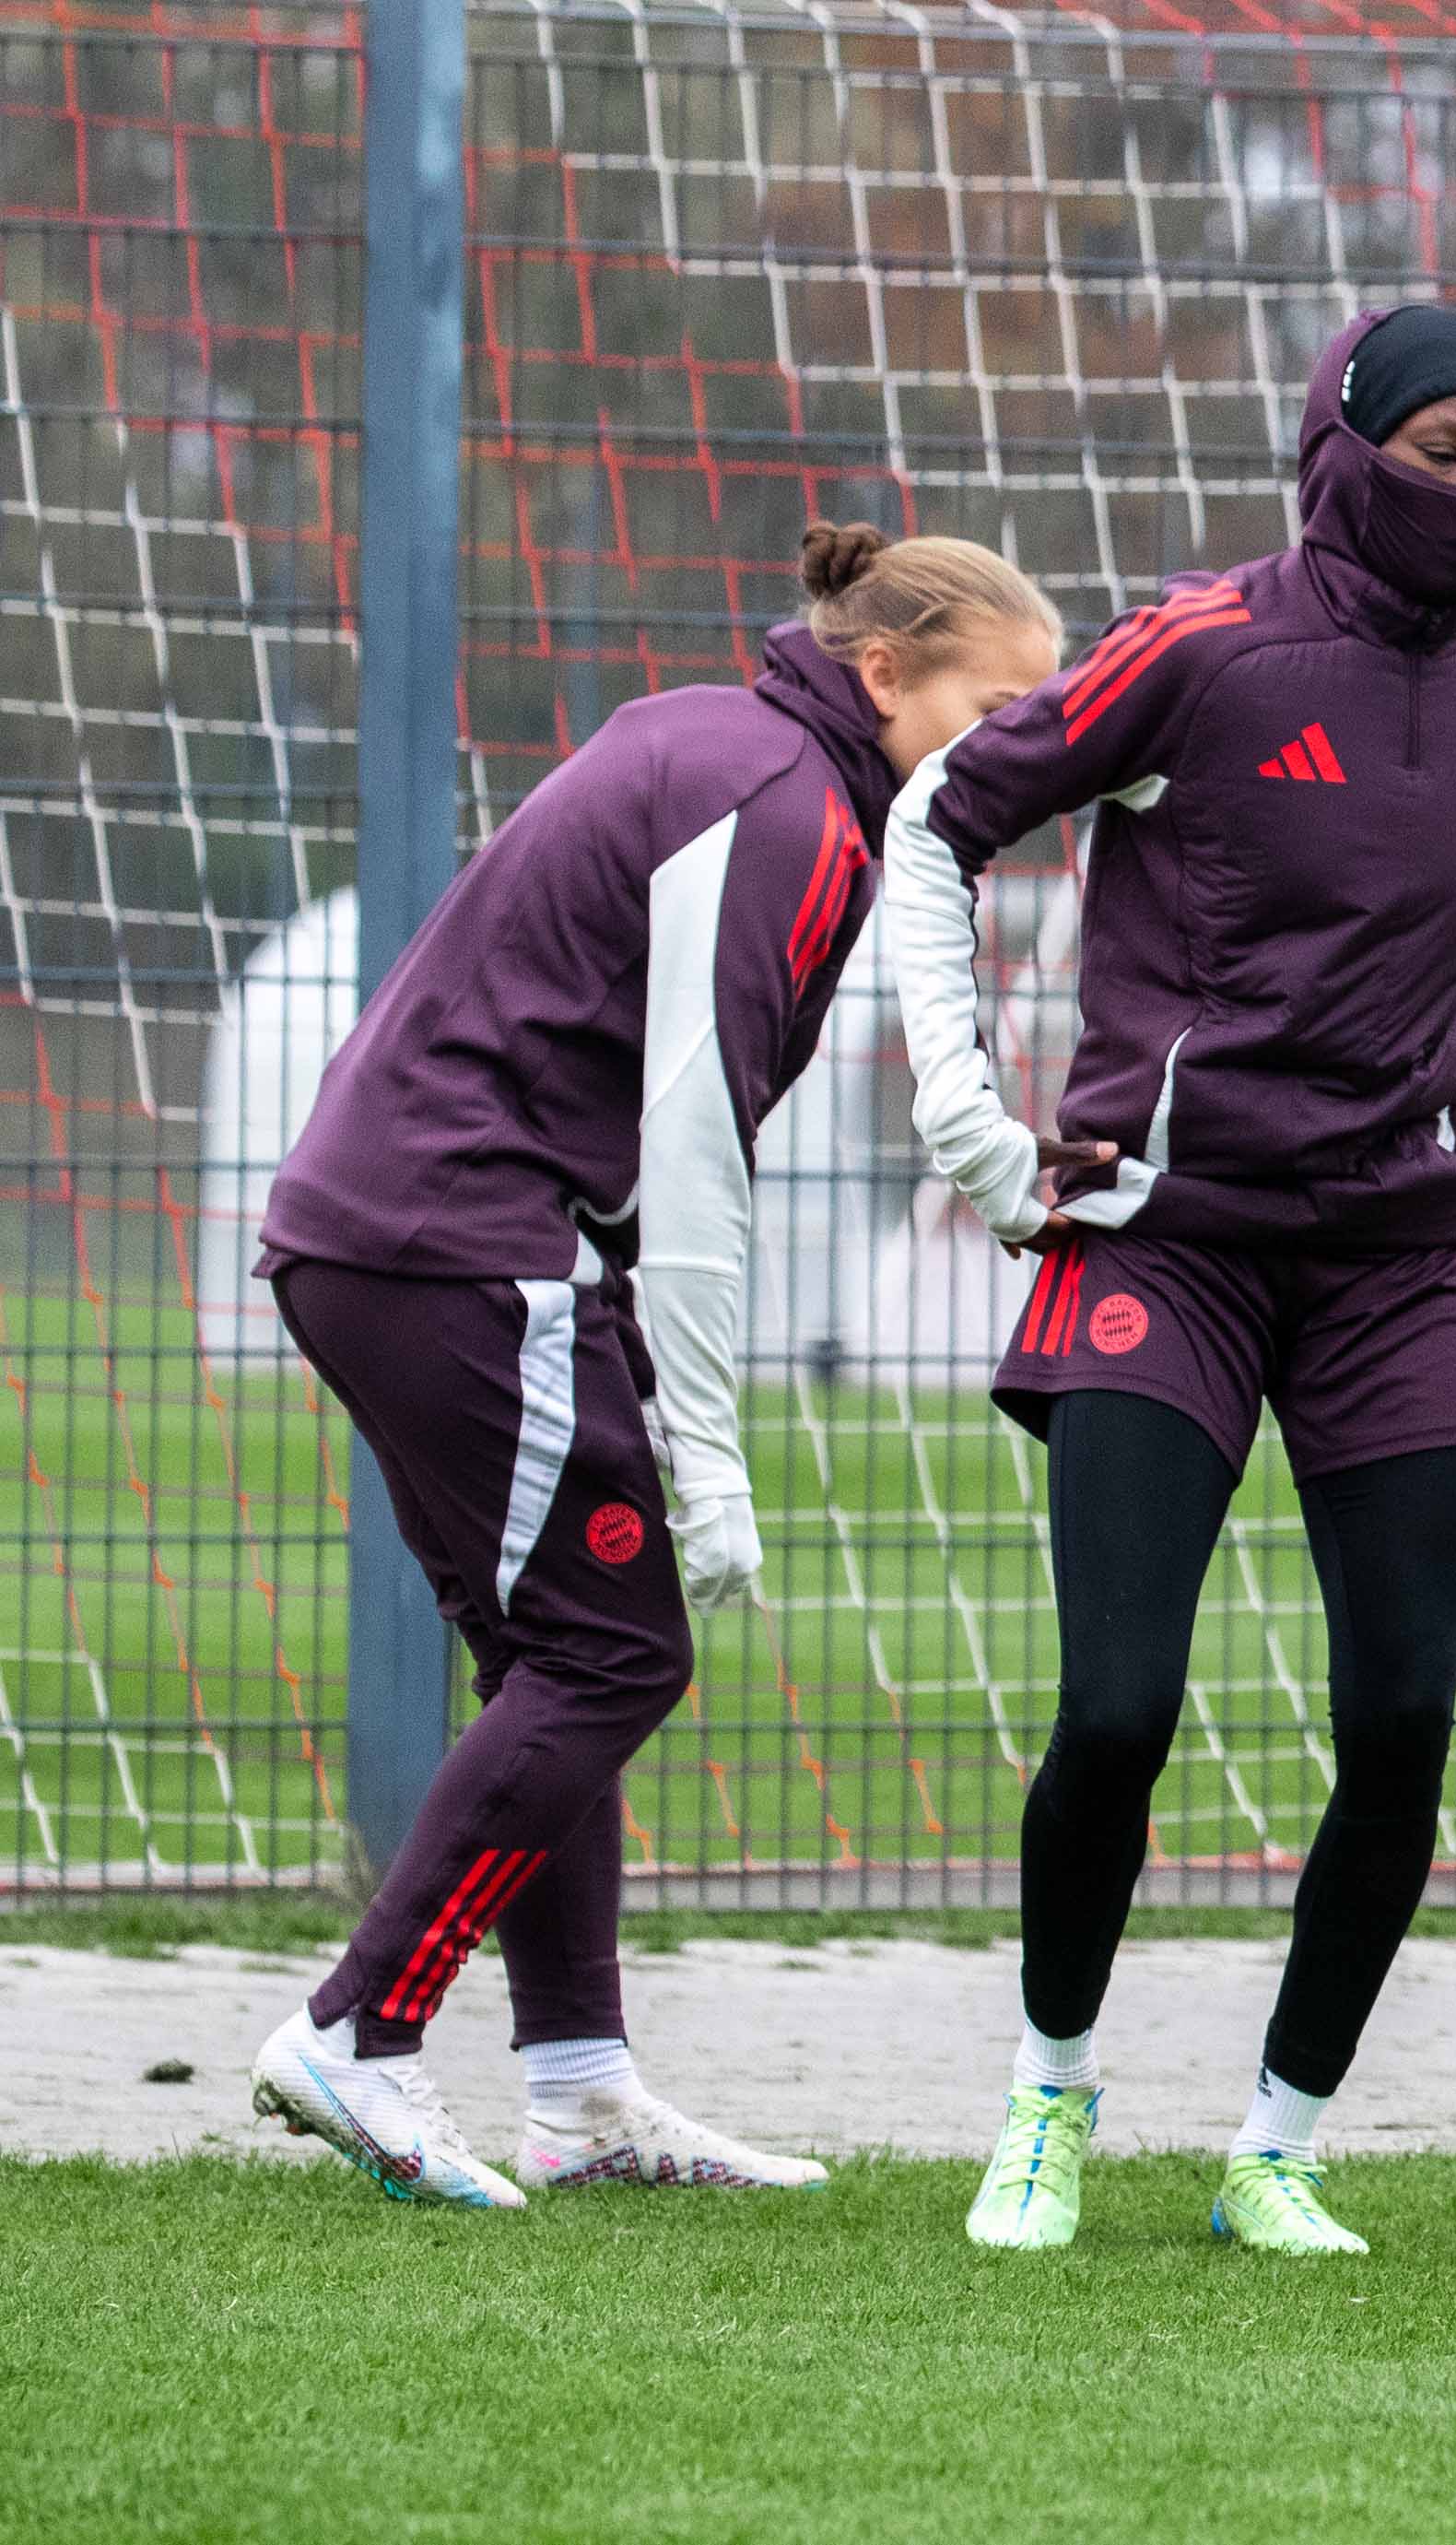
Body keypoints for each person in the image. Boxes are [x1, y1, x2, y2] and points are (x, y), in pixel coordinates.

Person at [883, 302, 1456, 2259]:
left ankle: (1277, 2145)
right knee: (1120, 1706)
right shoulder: (1202, 649)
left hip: (1400, 1270)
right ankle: (1047, 2099)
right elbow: (940, 818)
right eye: (1440, 449)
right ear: (1340, 450)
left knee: (1401, 1725)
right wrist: (975, 1126)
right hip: (1171, 1251)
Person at [247, 524, 1063, 2207]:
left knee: (560, 1649)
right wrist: (708, 1449)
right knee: (614, 1653)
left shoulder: (722, 735)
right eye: (1000, 710)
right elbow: (691, 1153)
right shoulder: (792, 809)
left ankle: (579, 2089)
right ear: (886, 673)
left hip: (391, 1231)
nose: (1026, 753)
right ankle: (358, 2033)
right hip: (461, 1242)